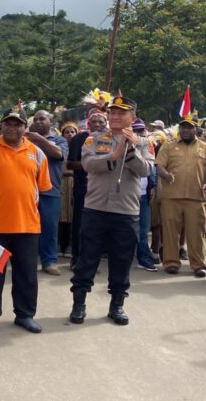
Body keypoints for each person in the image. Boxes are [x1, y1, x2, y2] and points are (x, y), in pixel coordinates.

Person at [69, 95, 153, 326]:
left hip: (126, 211)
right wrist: (114, 156)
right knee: (87, 258)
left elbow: (146, 171)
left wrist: (131, 152)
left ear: (132, 117)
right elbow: (89, 165)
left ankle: (117, 305)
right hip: (95, 208)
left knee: (122, 259)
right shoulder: (94, 139)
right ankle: (79, 303)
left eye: (121, 113)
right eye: (112, 113)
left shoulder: (144, 142)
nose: (115, 117)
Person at [0, 106, 51, 334]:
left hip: (27, 227)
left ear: (25, 128)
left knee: (26, 273)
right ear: (1, 126)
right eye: (8, 123)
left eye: (18, 124)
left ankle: (25, 315)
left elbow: (43, 189)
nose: (12, 128)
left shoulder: (36, 153)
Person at [155, 115, 206, 277]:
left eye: (189, 127)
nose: (185, 130)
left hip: (196, 197)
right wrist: (165, 175)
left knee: (196, 233)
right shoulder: (168, 146)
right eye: (183, 127)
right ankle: (171, 262)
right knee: (171, 231)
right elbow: (159, 166)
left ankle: (198, 264)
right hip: (171, 196)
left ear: (196, 129)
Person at [27, 110, 68, 276]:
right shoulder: (25, 140)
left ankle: (49, 261)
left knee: (49, 228)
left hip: (50, 190)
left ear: (50, 121)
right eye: (35, 119)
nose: (38, 121)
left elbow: (58, 154)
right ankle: (26, 260)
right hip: (27, 190)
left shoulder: (60, 140)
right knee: (26, 227)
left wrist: (39, 140)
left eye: (42, 118)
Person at [66, 110, 107, 268]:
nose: (97, 125)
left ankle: (92, 262)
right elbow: (70, 164)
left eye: (101, 122)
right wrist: (91, 164)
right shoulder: (79, 139)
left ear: (106, 124)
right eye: (94, 122)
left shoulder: (110, 139)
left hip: (103, 190)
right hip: (83, 189)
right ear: (88, 123)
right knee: (80, 226)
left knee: (98, 228)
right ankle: (76, 259)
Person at [131, 119, 158, 272]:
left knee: (143, 230)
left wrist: (153, 186)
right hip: (127, 196)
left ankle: (144, 259)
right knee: (126, 230)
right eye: (135, 130)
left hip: (144, 196)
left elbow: (151, 168)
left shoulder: (148, 146)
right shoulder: (124, 145)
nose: (138, 133)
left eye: (141, 130)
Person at [58, 123, 78, 257]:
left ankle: (71, 246)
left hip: (74, 184)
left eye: (72, 132)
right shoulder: (59, 149)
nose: (70, 134)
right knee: (60, 215)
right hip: (60, 184)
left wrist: (70, 171)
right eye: (67, 132)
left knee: (73, 214)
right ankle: (60, 245)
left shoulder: (81, 148)